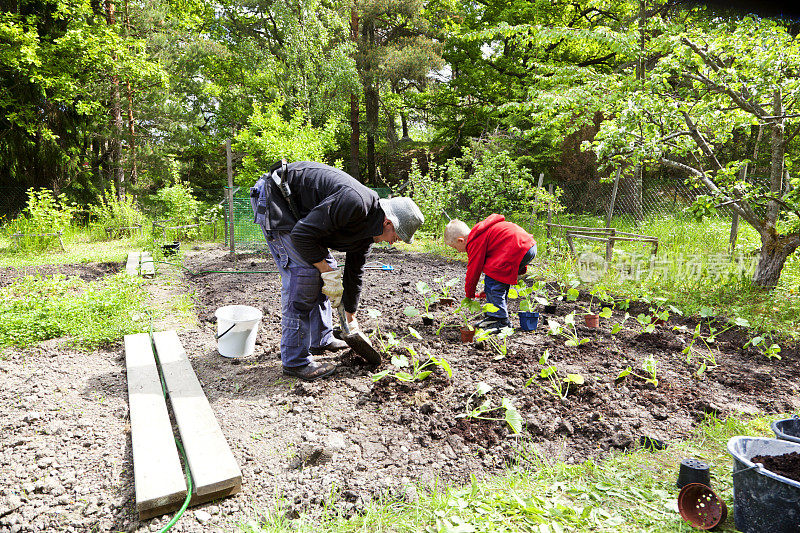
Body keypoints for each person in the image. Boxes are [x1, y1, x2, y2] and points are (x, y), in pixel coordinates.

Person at [250, 160, 424, 381]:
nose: (393, 243)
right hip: (275, 197)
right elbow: (302, 236)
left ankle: (321, 338)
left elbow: (355, 272)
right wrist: (325, 270)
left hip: (297, 212)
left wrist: (350, 317)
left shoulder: (368, 231)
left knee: (326, 272)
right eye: (396, 237)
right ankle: (295, 362)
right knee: (306, 276)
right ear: (389, 223)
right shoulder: (355, 203)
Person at [443, 215, 537, 331]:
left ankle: (501, 321)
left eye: (455, 247)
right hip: (528, 246)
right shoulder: (481, 233)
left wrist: (469, 294)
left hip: (518, 248)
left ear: (460, 240)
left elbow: (473, 271)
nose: (457, 251)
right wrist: (488, 289)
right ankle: (494, 316)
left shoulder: (474, 242)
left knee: (494, 282)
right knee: (494, 281)